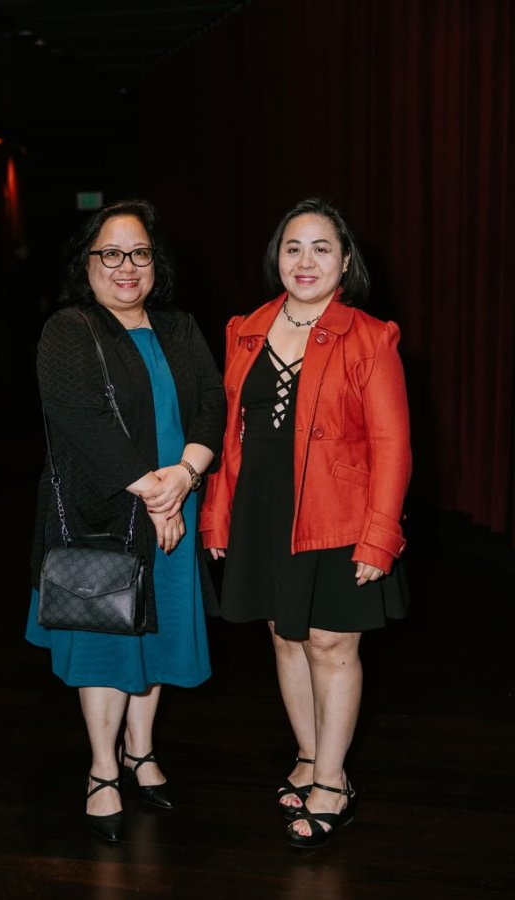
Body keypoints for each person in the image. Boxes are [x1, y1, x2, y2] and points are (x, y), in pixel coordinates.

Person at [200, 197, 411, 849]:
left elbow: (393, 445)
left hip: (339, 516)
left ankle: (332, 780)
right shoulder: (245, 329)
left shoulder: (370, 336)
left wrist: (380, 535)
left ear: (345, 260)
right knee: (284, 638)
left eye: (322, 246)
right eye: (293, 246)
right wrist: (216, 515)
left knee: (330, 644)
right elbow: (230, 434)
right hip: (262, 512)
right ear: (277, 259)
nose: (306, 259)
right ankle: (309, 752)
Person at [25, 199, 225, 842]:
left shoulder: (179, 326)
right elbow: (80, 421)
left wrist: (185, 478)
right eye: (109, 253)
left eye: (138, 252)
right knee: (109, 644)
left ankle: (141, 752)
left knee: (156, 637)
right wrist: (154, 493)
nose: (125, 266)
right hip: (107, 512)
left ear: (154, 262)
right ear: (87, 263)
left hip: (175, 505)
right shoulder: (69, 330)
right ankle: (102, 768)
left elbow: (211, 406)